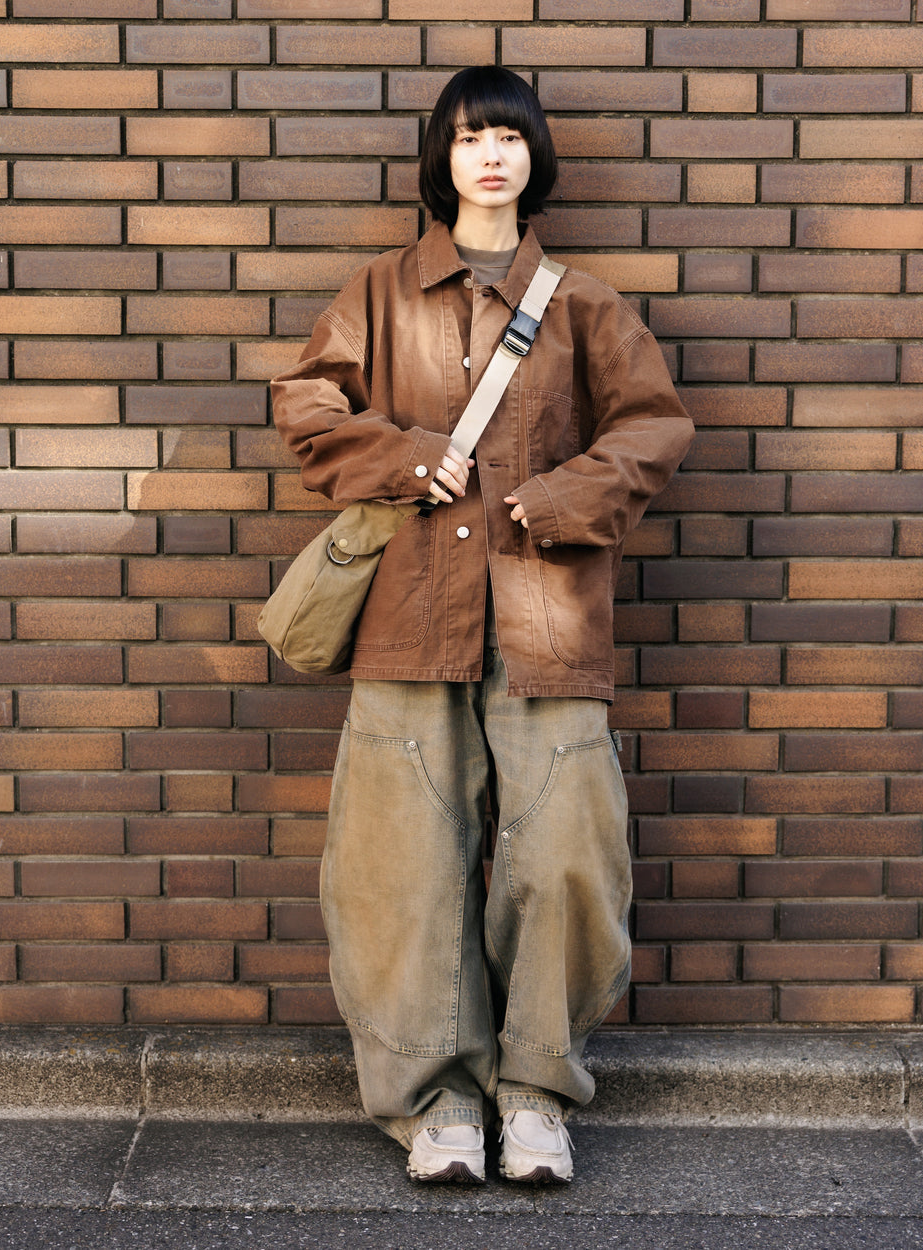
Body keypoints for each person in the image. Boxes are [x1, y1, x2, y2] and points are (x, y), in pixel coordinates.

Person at [270, 65, 694, 1185]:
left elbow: (653, 427)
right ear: (442, 158)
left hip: (549, 626)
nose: (490, 155)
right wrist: (412, 457)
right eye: (467, 138)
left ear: (533, 154)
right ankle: (437, 1102)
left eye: (507, 135)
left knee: (564, 857)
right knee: (402, 867)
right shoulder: (379, 293)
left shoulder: (584, 304)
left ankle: (538, 1093)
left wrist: (556, 501)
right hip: (408, 618)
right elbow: (306, 405)